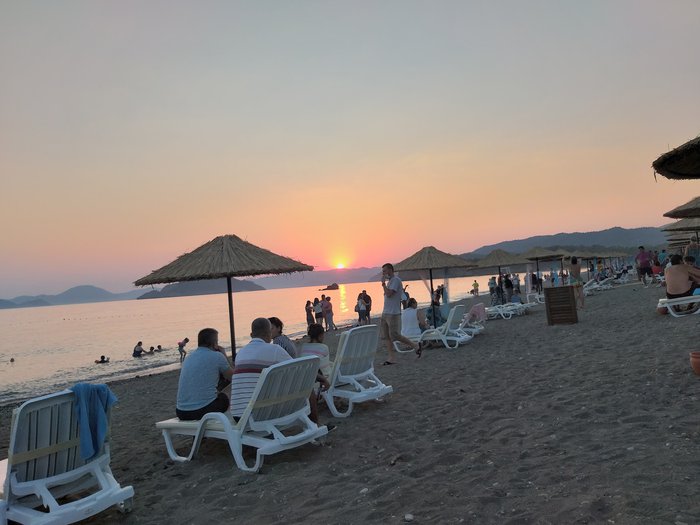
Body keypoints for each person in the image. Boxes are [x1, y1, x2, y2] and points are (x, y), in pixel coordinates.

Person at [231, 318, 293, 419]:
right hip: (260, 415)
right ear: (269, 333)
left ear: (251, 335)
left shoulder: (240, 353)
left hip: (237, 415)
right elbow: (296, 370)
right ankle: (314, 421)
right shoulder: (275, 350)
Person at [175, 328, 233, 421]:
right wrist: (224, 355)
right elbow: (234, 378)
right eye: (217, 341)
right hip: (203, 410)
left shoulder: (189, 358)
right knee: (233, 385)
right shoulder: (217, 356)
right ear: (214, 343)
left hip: (181, 412)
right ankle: (229, 421)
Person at [380, 263, 419, 364]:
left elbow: (389, 294)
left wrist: (383, 284)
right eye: (382, 271)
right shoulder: (390, 282)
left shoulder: (396, 280)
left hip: (393, 313)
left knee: (395, 335)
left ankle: (415, 345)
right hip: (385, 312)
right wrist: (385, 284)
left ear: (390, 270)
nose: (383, 273)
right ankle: (391, 358)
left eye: (384, 271)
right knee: (386, 336)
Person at [298, 323, 334, 426]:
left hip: (308, 381)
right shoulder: (323, 347)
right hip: (322, 380)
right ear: (320, 336)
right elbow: (325, 367)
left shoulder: (304, 347)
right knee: (332, 365)